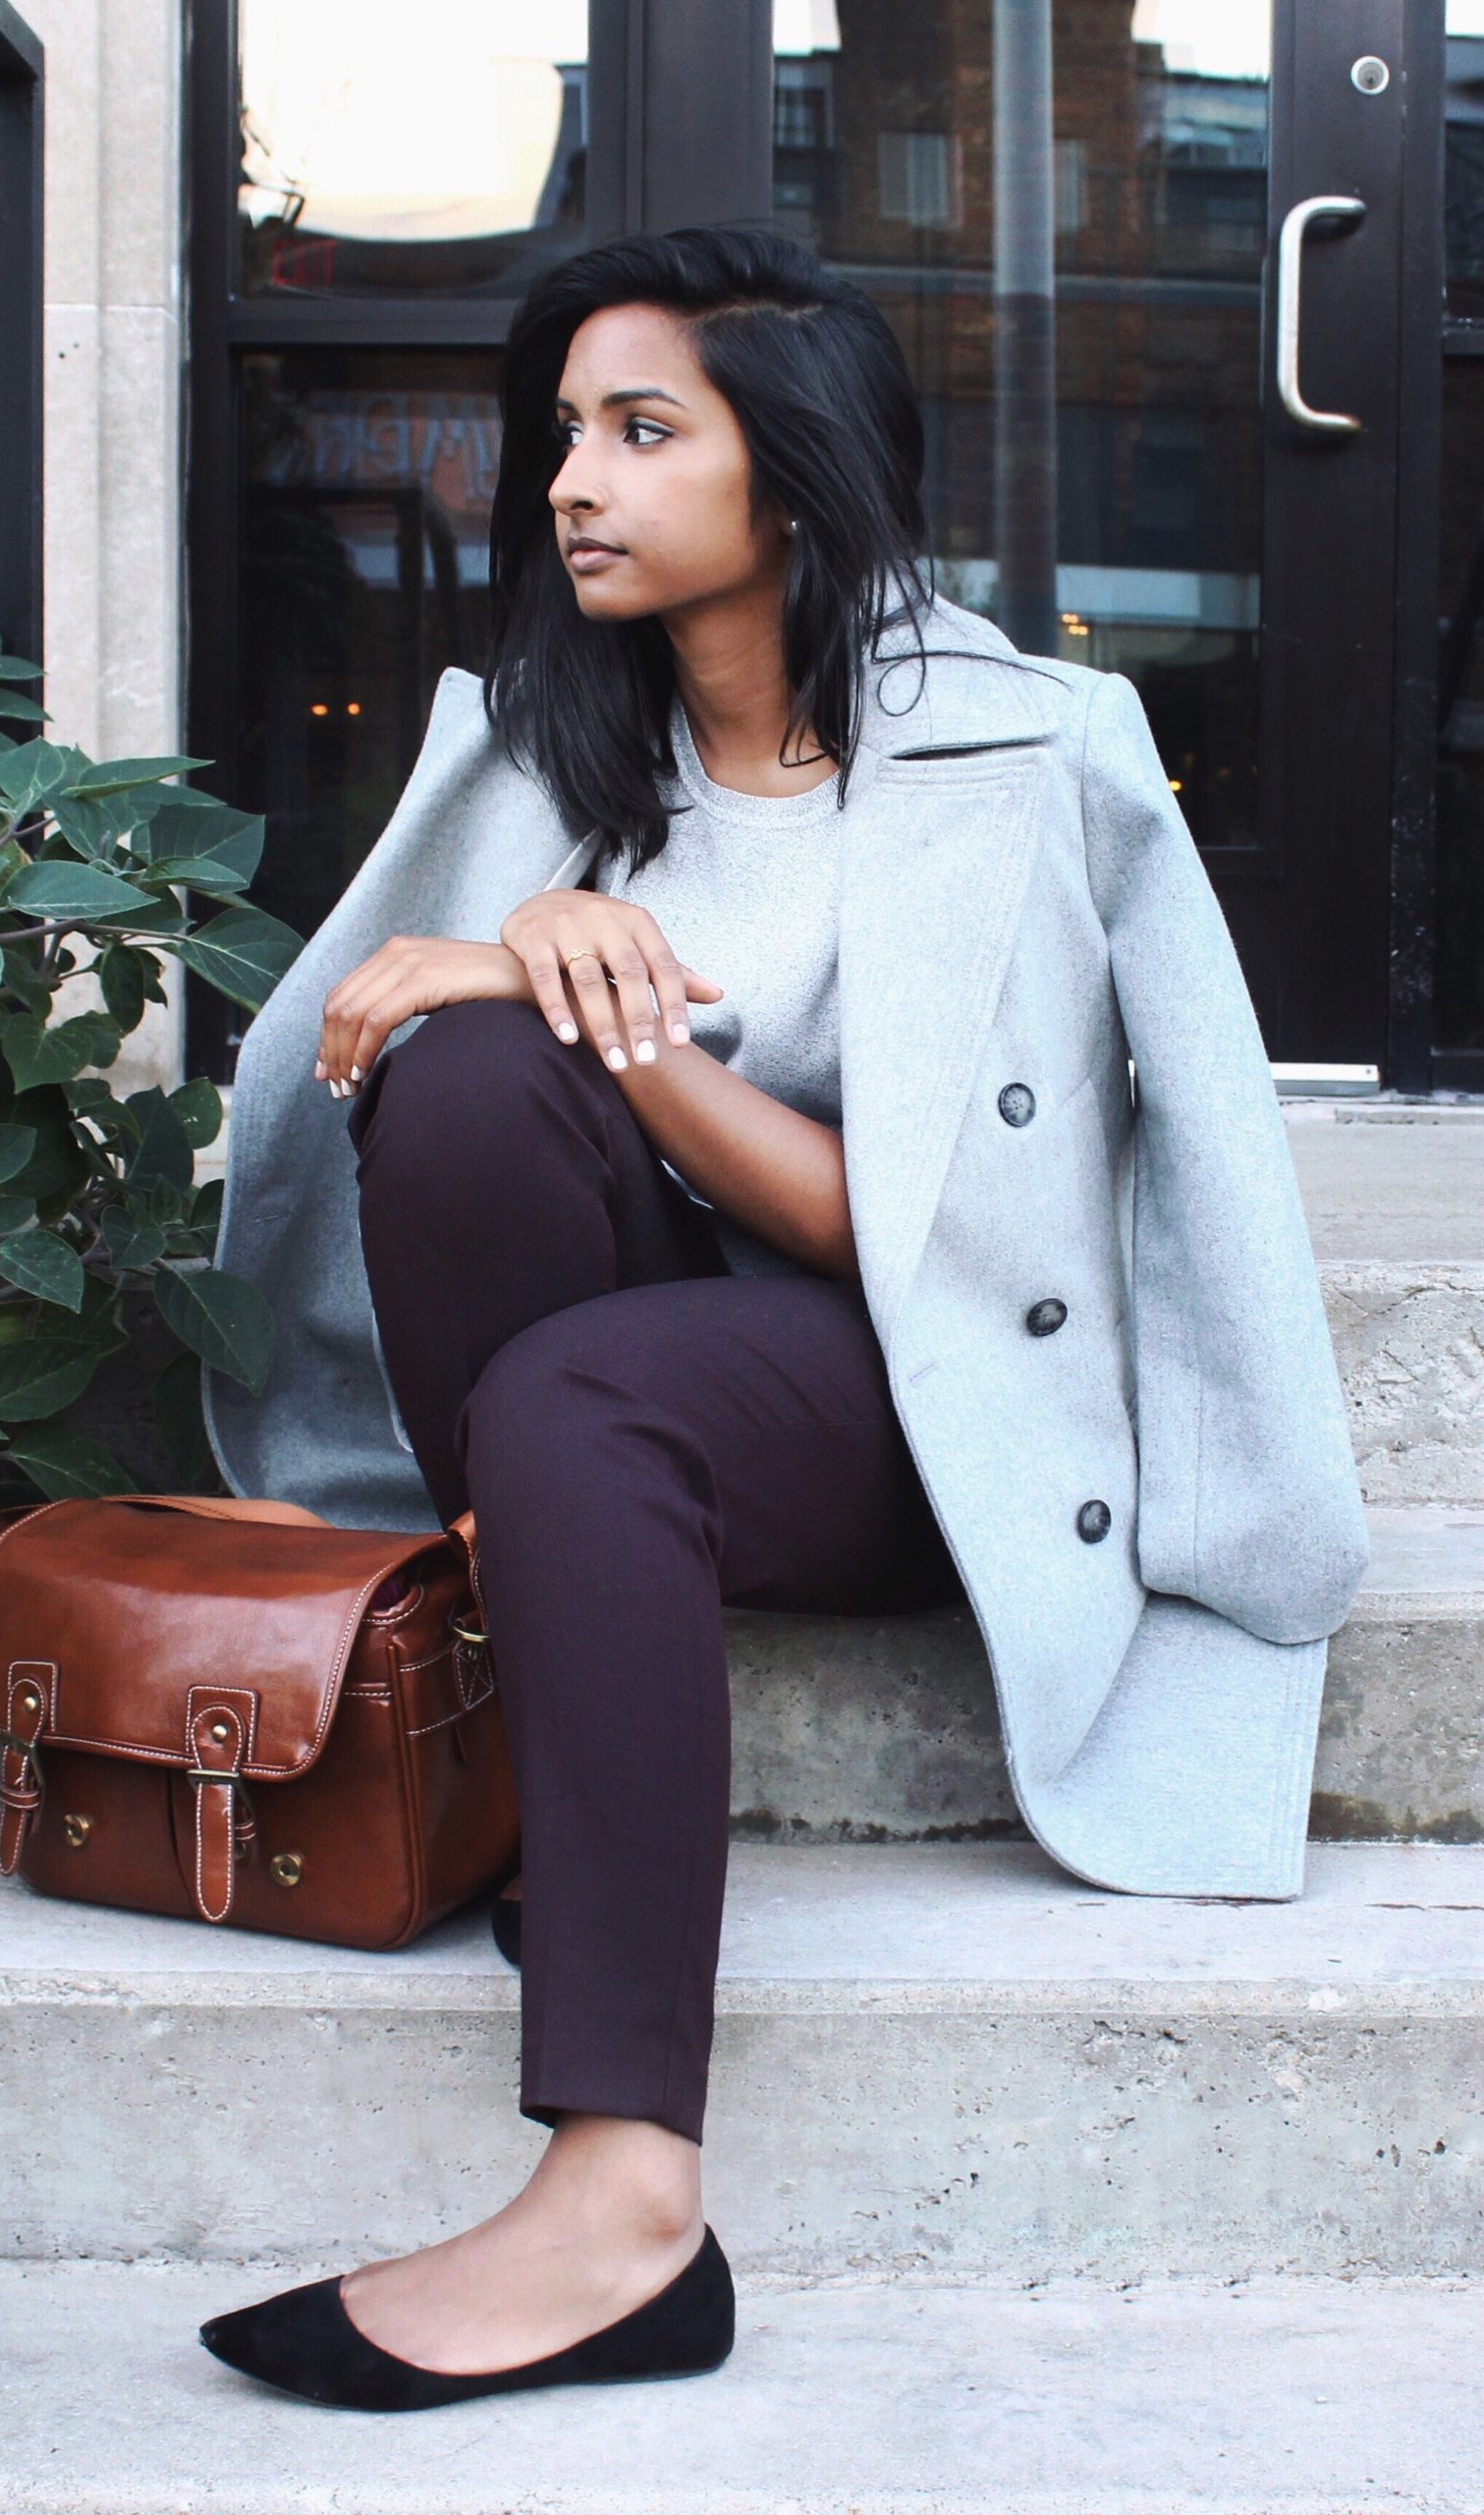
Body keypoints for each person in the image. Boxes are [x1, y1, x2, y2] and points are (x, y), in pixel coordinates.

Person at [192, 226, 1368, 2414]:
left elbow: (954, 1242)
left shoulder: (1030, 760)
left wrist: (628, 1031)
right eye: (565, 432)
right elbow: (359, 1069)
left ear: (794, 478)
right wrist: (527, 953)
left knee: (573, 1360)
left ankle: (622, 2196)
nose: (573, 480)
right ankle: (571, 1752)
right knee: (456, 1088)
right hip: (621, 1366)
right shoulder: (545, 752)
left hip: (918, 1400)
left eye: (644, 432)